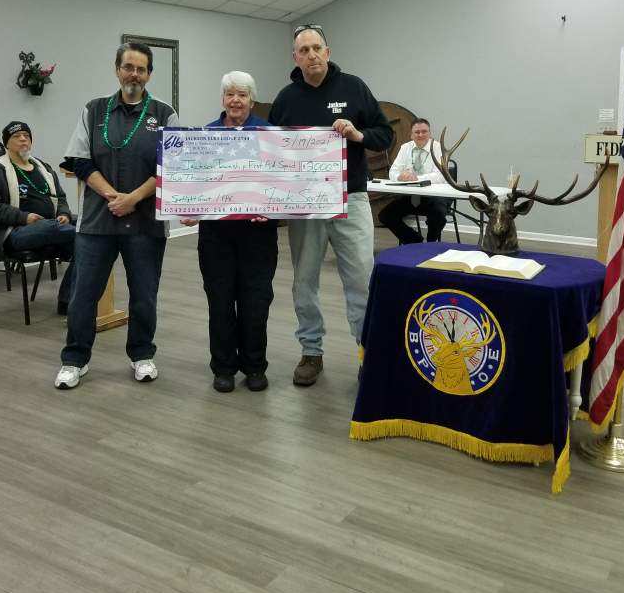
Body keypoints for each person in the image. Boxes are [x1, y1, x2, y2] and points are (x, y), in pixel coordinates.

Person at [268, 25, 392, 386]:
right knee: (304, 282)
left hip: (350, 199)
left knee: (361, 280)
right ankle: (311, 351)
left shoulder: (354, 87)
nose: (311, 55)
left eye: (316, 48)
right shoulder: (286, 98)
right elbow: (269, 151)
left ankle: (367, 351)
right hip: (305, 206)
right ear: (295, 57)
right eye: (303, 50)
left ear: (328, 50)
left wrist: (358, 134)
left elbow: (384, 133)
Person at [54, 41, 178, 390]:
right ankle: (74, 360)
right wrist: (112, 196)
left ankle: (142, 355)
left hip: (145, 223)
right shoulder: (93, 110)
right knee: (83, 294)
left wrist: (133, 198)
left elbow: (172, 165)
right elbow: (79, 160)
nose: (134, 74)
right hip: (98, 221)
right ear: (117, 69)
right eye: (128, 67)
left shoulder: (165, 113)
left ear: (149, 74)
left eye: (141, 69)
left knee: (144, 294)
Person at [182, 72, 278, 394]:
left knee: (256, 301)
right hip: (216, 235)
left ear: (252, 99)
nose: (236, 100)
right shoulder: (204, 136)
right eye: (230, 95)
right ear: (222, 99)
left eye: (242, 94)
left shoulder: (269, 134)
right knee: (220, 301)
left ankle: (254, 366)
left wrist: (274, 208)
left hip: (258, 235)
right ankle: (223, 367)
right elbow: (195, 181)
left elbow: (281, 183)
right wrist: (189, 206)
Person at [0, 121, 75, 312]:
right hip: (14, 233)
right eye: (16, 136)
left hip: (52, 227)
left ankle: (67, 300)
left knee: (88, 235)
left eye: (26, 135)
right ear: (6, 143)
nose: (23, 139)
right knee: (75, 232)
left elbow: (60, 197)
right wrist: (24, 217)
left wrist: (64, 213)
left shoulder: (43, 168)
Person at [378, 118, 449, 244]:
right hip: (411, 197)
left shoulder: (438, 148)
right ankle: (414, 241)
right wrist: (400, 176)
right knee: (385, 216)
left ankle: (431, 244)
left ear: (430, 133)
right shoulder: (405, 148)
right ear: (411, 134)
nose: (420, 135)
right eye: (417, 132)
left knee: (438, 216)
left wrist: (416, 178)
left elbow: (440, 176)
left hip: (435, 197)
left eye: (424, 131)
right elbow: (392, 172)